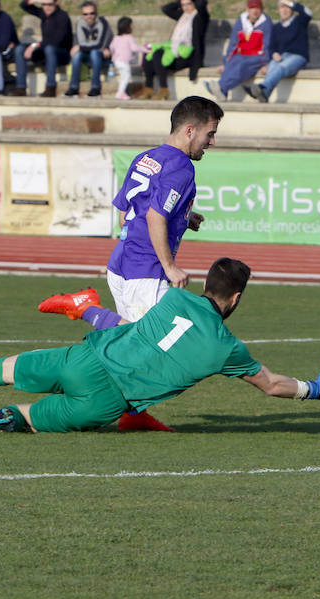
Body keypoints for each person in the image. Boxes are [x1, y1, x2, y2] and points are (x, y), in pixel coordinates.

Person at [0, 257, 320, 433]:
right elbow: (273, 385)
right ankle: (3, 420)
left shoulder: (172, 297)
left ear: (205, 285)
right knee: (31, 418)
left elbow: (125, 319)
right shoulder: (228, 348)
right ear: (235, 299)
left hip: (86, 358)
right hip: (107, 401)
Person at [39, 95, 220, 431]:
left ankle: (133, 416)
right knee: (155, 348)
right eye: (210, 134)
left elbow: (127, 209)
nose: (212, 142)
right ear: (190, 130)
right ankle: (85, 309)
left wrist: (183, 216)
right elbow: (153, 215)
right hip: (145, 270)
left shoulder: (146, 157)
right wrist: (169, 266)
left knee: (132, 347)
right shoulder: (181, 167)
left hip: (121, 263)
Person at [136, 0, 209, 101]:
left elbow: (202, 5)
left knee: (158, 54)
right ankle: (149, 90)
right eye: (183, 5)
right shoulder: (183, 16)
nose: (185, 7)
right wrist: (180, 2)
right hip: (175, 51)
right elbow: (166, 9)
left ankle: (164, 89)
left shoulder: (200, 17)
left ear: (194, 3)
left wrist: (194, 2)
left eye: (188, 4)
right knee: (150, 55)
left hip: (189, 56)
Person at [204, 0, 271, 102]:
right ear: (247, 9)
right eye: (252, 8)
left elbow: (267, 45)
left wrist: (265, 63)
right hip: (242, 54)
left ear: (261, 10)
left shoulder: (266, 22)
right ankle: (222, 91)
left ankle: (221, 88)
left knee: (242, 65)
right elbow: (233, 44)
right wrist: (225, 63)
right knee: (232, 61)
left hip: (258, 56)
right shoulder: (241, 21)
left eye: (257, 8)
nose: (255, 11)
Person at [246, 0, 312, 103]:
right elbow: (271, 47)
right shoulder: (276, 27)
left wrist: (290, 3)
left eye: (287, 7)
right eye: (282, 7)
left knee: (281, 67)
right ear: (278, 10)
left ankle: (263, 87)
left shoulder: (300, 21)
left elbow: (308, 13)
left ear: (292, 9)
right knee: (272, 66)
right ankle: (265, 93)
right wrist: (274, 54)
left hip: (298, 57)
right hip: (281, 57)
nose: (284, 10)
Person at [11, 0, 73, 97]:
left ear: (55, 3)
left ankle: (50, 87)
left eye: (50, 4)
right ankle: (21, 88)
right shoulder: (43, 13)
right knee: (20, 49)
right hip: (45, 50)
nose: (47, 7)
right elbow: (23, 5)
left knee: (49, 48)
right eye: (44, 4)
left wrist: (35, 45)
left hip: (61, 53)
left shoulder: (63, 16)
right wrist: (36, 0)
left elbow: (57, 41)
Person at [64, 1, 113, 98]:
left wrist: (81, 47)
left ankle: (95, 88)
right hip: (87, 55)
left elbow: (100, 44)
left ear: (96, 13)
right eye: (85, 14)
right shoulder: (80, 23)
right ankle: (73, 88)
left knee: (94, 53)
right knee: (77, 55)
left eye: (91, 13)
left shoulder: (102, 22)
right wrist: (81, 47)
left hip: (102, 57)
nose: (89, 16)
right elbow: (81, 42)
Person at [109, 16, 140, 100]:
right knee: (126, 76)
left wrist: (115, 54)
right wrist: (144, 49)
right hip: (123, 61)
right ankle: (120, 93)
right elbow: (134, 48)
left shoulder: (116, 37)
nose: (133, 27)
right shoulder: (129, 37)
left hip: (116, 61)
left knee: (123, 76)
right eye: (131, 25)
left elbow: (111, 47)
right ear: (128, 27)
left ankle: (121, 92)